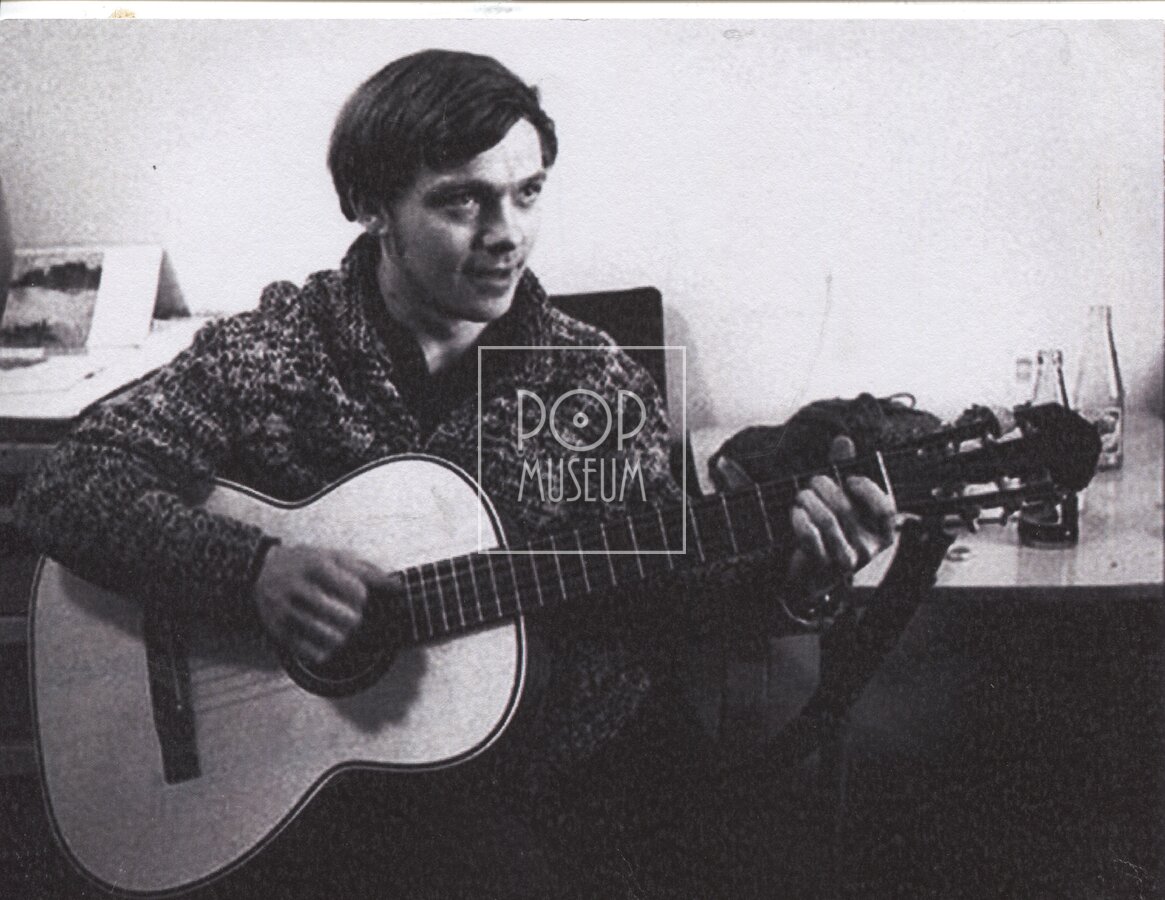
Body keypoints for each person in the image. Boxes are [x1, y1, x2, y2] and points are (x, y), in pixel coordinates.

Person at [15, 49, 895, 898]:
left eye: (527, 193)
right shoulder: (274, 352)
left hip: (552, 780)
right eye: (461, 201)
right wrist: (252, 573)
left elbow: (665, 597)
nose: (505, 234)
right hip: (320, 795)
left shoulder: (592, 383)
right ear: (371, 205)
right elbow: (69, 485)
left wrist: (798, 584)